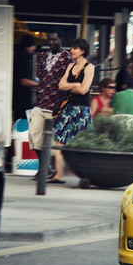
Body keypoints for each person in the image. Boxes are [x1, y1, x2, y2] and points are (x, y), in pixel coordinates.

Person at [28, 29, 73, 180]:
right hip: (40, 103)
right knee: (34, 137)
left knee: (55, 142)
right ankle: (44, 168)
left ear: (61, 39)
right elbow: (40, 78)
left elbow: (69, 82)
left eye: (54, 39)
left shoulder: (68, 57)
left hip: (56, 104)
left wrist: (61, 103)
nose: (51, 42)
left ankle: (49, 170)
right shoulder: (44, 56)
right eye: (49, 40)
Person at [52, 38, 95, 184]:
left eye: (74, 48)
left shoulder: (89, 67)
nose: (71, 51)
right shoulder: (70, 66)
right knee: (59, 141)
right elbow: (60, 85)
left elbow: (84, 90)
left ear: (82, 50)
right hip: (67, 108)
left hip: (82, 110)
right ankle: (58, 174)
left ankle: (89, 175)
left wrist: (71, 85)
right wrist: (76, 83)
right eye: (71, 48)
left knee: (85, 143)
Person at [12, 34, 38, 122]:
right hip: (22, 99)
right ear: (28, 45)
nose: (34, 48)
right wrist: (39, 84)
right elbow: (23, 81)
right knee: (23, 122)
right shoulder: (23, 58)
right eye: (33, 45)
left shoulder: (19, 55)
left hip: (17, 98)